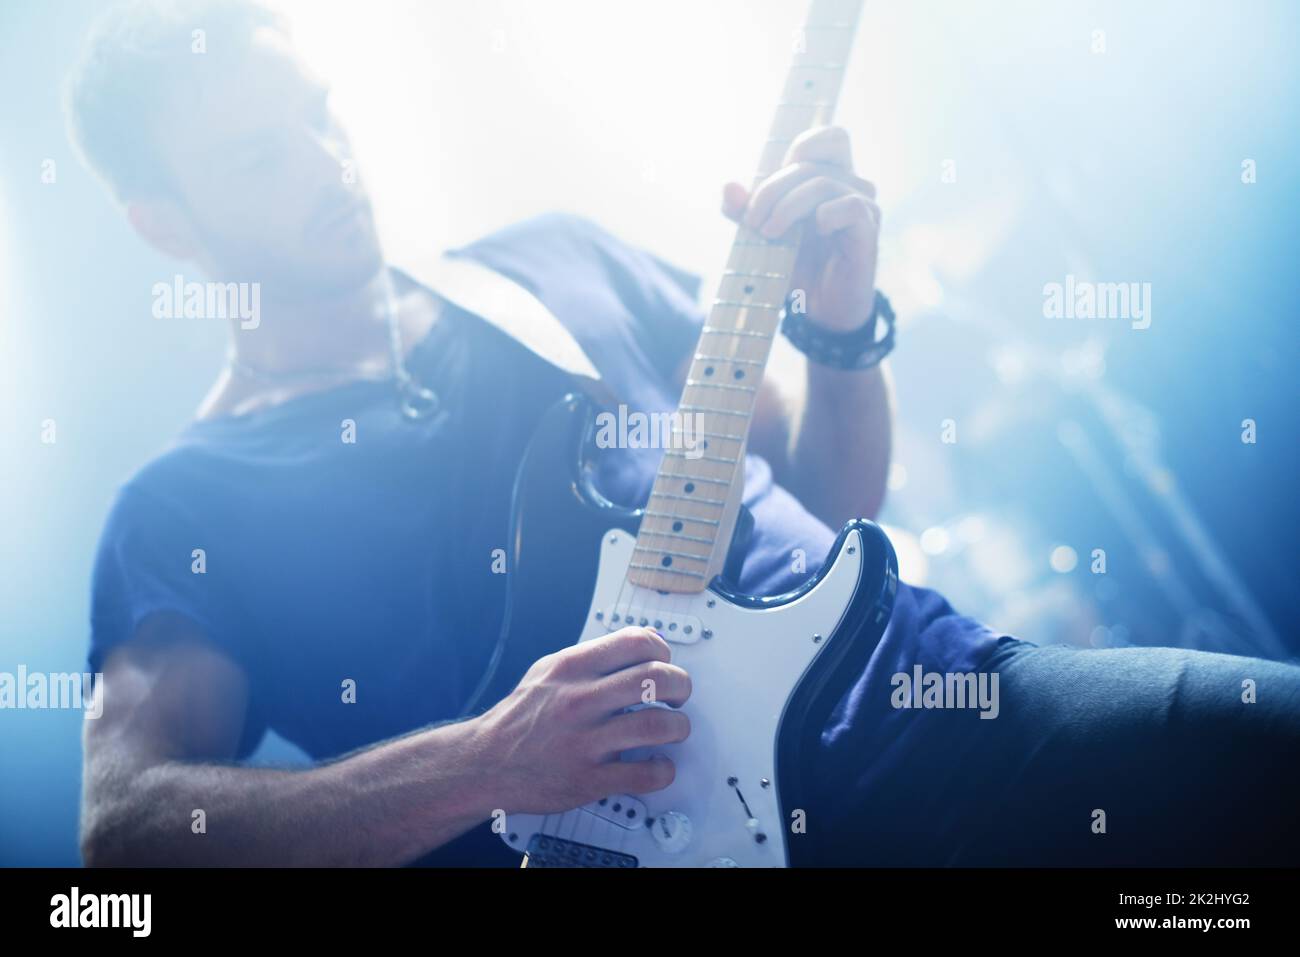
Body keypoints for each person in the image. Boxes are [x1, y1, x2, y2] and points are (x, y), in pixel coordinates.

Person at [70, 0, 1300, 867]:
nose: (327, 165)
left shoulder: (553, 263)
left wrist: (837, 334)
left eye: (319, 114)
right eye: (258, 158)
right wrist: (488, 763)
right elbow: (125, 834)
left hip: (939, 717)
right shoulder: (189, 503)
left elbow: (829, 495)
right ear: (165, 224)